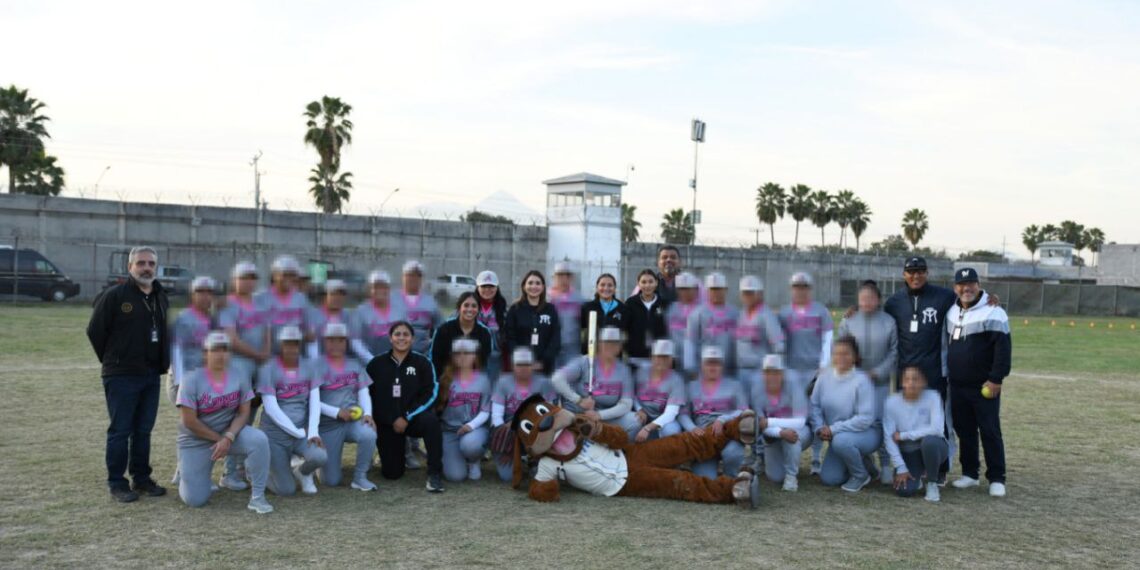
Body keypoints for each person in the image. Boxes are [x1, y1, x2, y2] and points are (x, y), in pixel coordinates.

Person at [86, 245, 170, 502]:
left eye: (151, 264)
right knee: (121, 431)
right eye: (141, 263)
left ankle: (142, 478)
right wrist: (114, 360)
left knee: (143, 431)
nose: (146, 268)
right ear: (130, 267)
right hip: (121, 375)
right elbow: (95, 331)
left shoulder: (159, 295)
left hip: (150, 375)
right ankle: (117, 483)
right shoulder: (114, 296)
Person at [175, 331, 272, 513]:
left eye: (225, 350)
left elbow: (244, 413)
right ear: (205, 353)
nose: (221, 354)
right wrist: (219, 439)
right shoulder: (190, 378)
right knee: (195, 500)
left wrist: (228, 437)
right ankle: (186, 470)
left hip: (228, 435)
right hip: (196, 440)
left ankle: (258, 498)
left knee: (259, 440)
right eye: (215, 350)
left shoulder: (239, 375)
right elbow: (189, 421)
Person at [946, 268, 1011, 498]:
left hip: (984, 385)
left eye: (971, 283)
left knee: (990, 430)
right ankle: (970, 474)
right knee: (965, 431)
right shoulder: (951, 310)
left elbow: (1003, 350)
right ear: (955, 288)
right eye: (962, 284)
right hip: (957, 385)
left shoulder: (995, 312)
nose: (967, 288)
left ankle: (996, 477)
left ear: (979, 284)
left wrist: (996, 379)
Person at [367, 321, 445, 492]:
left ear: (412, 338)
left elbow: (430, 393)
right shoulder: (376, 364)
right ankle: (396, 450)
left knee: (431, 422)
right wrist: (388, 418)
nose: (401, 338)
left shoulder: (423, 362)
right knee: (392, 474)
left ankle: (435, 474)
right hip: (387, 421)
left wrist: (406, 416)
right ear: (390, 338)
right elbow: (368, 395)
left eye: (406, 334)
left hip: (413, 418)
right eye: (397, 334)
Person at [836, 279, 898, 485]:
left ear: (878, 300)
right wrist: (853, 375)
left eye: (871, 298)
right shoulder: (849, 320)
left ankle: (886, 465)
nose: (866, 302)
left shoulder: (889, 321)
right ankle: (866, 465)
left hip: (879, 384)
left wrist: (877, 372)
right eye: (863, 298)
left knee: (881, 423)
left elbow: (894, 352)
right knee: (856, 423)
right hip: (854, 384)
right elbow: (842, 351)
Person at [256, 325, 327, 496]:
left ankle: (302, 473)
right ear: (280, 346)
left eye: (295, 344)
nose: (291, 348)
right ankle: (255, 472)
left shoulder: (309, 366)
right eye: (287, 344)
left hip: (301, 432)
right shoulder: (268, 369)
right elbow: (272, 409)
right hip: (276, 436)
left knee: (320, 457)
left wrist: (313, 432)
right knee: (286, 490)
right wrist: (298, 432)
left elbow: (315, 402)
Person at [779, 271, 834, 474]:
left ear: (809, 289)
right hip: (792, 372)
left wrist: (823, 367)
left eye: (804, 287)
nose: (800, 291)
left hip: (814, 372)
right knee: (793, 412)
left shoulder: (821, 311)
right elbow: (779, 343)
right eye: (796, 287)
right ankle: (788, 450)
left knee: (817, 412)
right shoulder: (784, 313)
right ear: (791, 289)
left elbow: (828, 339)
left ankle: (816, 459)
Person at [810, 336, 880, 493]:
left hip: (867, 433)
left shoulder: (862, 381)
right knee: (830, 478)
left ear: (855, 357)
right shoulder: (823, 378)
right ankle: (865, 463)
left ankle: (860, 475)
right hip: (837, 435)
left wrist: (833, 429)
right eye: (837, 353)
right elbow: (814, 406)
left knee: (842, 442)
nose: (841, 357)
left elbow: (865, 419)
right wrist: (820, 427)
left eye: (846, 354)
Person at [313, 322, 377, 491]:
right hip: (327, 425)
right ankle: (322, 467)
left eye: (340, 340)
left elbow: (363, 391)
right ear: (325, 342)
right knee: (331, 481)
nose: (336, 344)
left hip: (352, 421)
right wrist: (335, 412)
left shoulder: (355, 364)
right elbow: (310, 401)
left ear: (346, 342)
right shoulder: (315, 366)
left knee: (368, 433)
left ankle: (360, 477)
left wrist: (368, 414)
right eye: (331, 340)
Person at [552, 326, 640, 434]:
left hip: (604, 416)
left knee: (634, 420)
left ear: (620, 346)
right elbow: (557, 379)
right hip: (578, 415)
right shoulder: (584, 362)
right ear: (599, 344)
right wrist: (578, 400)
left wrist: (600, 415)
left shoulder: (624, 369)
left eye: (615, 343)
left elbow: (626, 404)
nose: (610, 346)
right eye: (606, 342)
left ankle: (621, 450)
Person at [679, 346, 749, 480]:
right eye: (709, 363)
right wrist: (692, 428)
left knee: (733, 454)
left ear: (722, 366)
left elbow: (744, 410)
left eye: (716, 363)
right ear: (702, 365)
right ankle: (709, 465)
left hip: (728, 434)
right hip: (704, 438)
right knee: (706, 478)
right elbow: (683, 413)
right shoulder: (691, 386)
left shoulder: (735, 385)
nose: (712, 367)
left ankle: (730, 476)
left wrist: (723, 419)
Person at [489, 347, 557, 482]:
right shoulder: (503, 382)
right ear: (513, 366)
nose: (523, 368)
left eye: (527, 364)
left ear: (533, 365)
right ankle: (515, 455)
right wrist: (505, 438)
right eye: (519, 364)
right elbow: (496, 416)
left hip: (534, 429)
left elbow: (551, 413)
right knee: (507, 477)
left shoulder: (544, 382)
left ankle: (535, 460)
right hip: (509, 432)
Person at [883, 367, 948, 502]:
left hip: (934, 447)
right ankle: (917, 475)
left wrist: (904, 435)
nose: (911, 383)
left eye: (916, 379)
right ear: (902, 382)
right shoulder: (892, 402)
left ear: (924, 382)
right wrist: (900, 467)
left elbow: (937, 429)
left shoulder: (933, 397)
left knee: (929, 442)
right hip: (909, 451)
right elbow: (889, 438)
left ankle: (932, 482)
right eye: (907, 379)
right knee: (904, 491)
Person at [750, 354, 811, 491]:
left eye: (776, 372)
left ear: (782, 373)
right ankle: (784, 460)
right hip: (775, 435)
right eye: (767, 372)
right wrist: (780, 432)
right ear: (763, 374)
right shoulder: (756, 391)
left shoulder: (794, 385)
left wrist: (771, 422)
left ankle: (791, 476)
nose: (771, 376)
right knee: (775, 477)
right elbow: (761, 424)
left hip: (801, 431)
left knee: (792, 437)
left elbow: (801, 421)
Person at [436, 339, 491, 482]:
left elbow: (486, 410)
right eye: (457, 353)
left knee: (470, 445)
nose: (462, 356)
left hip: (474, 429)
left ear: (474, 356)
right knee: (455, 477)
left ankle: (473, 460)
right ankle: (455, 459)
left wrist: (470, 426)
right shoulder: (446, 379)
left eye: (467, 353)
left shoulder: (484, 379)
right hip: (449, 430)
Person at [218, 261, 271, 384]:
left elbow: (267, 331)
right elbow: (232, 339)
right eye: (243, 278)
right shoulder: (228, 305)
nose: (248, 282)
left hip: (262, 357)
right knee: (239, 376)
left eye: (252, 278)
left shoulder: (260, 303)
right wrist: (258, 355)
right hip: (238, 358)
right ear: (234, 280)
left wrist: (266, 353)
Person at [734, 275, 785, 397]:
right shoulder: (741, 314)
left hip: (759, 372)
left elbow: (779, 346)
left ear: (759, 294)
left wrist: (773, 372)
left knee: (758, 408)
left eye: (751, 293)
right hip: (741, 370)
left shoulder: (767, 315)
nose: (748, 296)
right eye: (745, 293)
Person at [502, 270, 562, 374]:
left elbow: (555, 338)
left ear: (543, 287)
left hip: (544, 367)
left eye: (538, 283)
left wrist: (542, 362)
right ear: (524, 286)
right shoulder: (515, 309)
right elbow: (510, 337)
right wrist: (522, 360)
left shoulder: (550, 309)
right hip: (520, 366)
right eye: (530, 283)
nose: (534, 286)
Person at [170, 276, 217, 405]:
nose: (205, 296)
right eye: (200, 292)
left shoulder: (211, 319)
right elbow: (176, 351)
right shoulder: (184, 318)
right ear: (192, 295)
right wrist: (180, 381)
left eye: (209, 292)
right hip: (186, 378)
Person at [256, 255, 313, 357]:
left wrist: (308, 334)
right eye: (285, 274)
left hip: (295, 353)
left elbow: (308, 325)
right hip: (270, 354)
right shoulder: (261, 298)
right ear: (274, 275)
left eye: (293, 275)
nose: (289, 278)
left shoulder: (301, 298)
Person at [630, 339, 686, 442]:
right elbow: (632, 394)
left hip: (664, 420)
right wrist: (639, 409)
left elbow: (671, 413)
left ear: (671, 360)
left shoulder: (677, 380)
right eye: (658, 357)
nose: (661, 361)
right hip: (643, 415)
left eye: (665, 357)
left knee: (672, 431)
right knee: (631, 420)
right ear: (651, 358)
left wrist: (648, 428)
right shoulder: (640, 373)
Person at [429, 291, 494, 378]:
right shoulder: (444, 330)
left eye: (474, 306)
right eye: (466, 305)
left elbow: (484, 362)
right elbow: (435, 359)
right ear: (459, 308)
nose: (470, 309)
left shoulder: (484, 333)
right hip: (447, 380)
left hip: (473, 382)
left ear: (478, 309)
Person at [685, 272, 739, 375]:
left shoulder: (735, 313)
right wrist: (691, 368)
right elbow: (690, 342)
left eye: (719, 289)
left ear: (725, 290)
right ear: (706, 291)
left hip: (730, 369)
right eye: (712, 289)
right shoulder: (697, 313)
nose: (715, 293)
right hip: (704, 370)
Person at [349, 270, 406, 364]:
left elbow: (406, 336)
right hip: (368, 363)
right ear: (369, 289)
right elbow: (355, 341)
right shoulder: (360, 312)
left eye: (383, 287)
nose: (380, 290)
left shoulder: (399, 310)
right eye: (376, 287)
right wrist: (371, 360)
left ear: (389, 289)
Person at [624, 269, 668, 372]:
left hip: (658, 357)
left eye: (650, 282)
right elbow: (625, 328)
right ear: (638, 283)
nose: (647, 285)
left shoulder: (664, 303)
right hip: (635, 358)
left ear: (656, 283)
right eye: (643, 282)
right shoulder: (631, 303)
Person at [395, 260, 443, 354]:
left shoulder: (430, 302)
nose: (413, 279)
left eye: (418, 276)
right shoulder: (392, 300)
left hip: (422, 356)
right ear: (403, 277)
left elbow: (441, 329)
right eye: (410, 275)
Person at [307, 279, 360, 358]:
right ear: (325, 296)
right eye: (333, 294)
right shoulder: (313, 315)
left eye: (341, 295)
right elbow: (312, 343)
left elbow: (356, 343)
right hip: (320, 361)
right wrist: (315, 365)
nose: (337, 298)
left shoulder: (349, 316)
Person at [579, 273, 629, 354]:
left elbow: (626, 333)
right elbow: (580, 329)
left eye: (610, 285)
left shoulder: (623, 309)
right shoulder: (587, 307)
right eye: (602, 285)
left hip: (614, 356)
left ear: (615, 288)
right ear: (597, 287)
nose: (606, 288)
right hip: (592, 355)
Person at [548, 261, 586, 367]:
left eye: (567, 275)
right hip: (550, 348)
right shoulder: (546, 299)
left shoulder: (580, 300)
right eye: (560, 275)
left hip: (572, 349)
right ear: (554, 277)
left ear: (572, 278)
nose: (564, 279)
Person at [474, 270, 508, 381]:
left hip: (495, 360)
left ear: (497, 288)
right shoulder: (470, 306)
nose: (487, 290)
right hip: (473, 359)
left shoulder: (503, 310)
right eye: (484, 286)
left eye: (491, 286)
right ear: (477, 287)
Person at [664, 272, 700, 374]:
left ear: (696, 289)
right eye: (681, 289)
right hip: (675, 363)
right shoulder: (671, 309)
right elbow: (668, 334)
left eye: (688, 289)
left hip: (697, 363)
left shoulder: (703, 310)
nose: (684, 292)